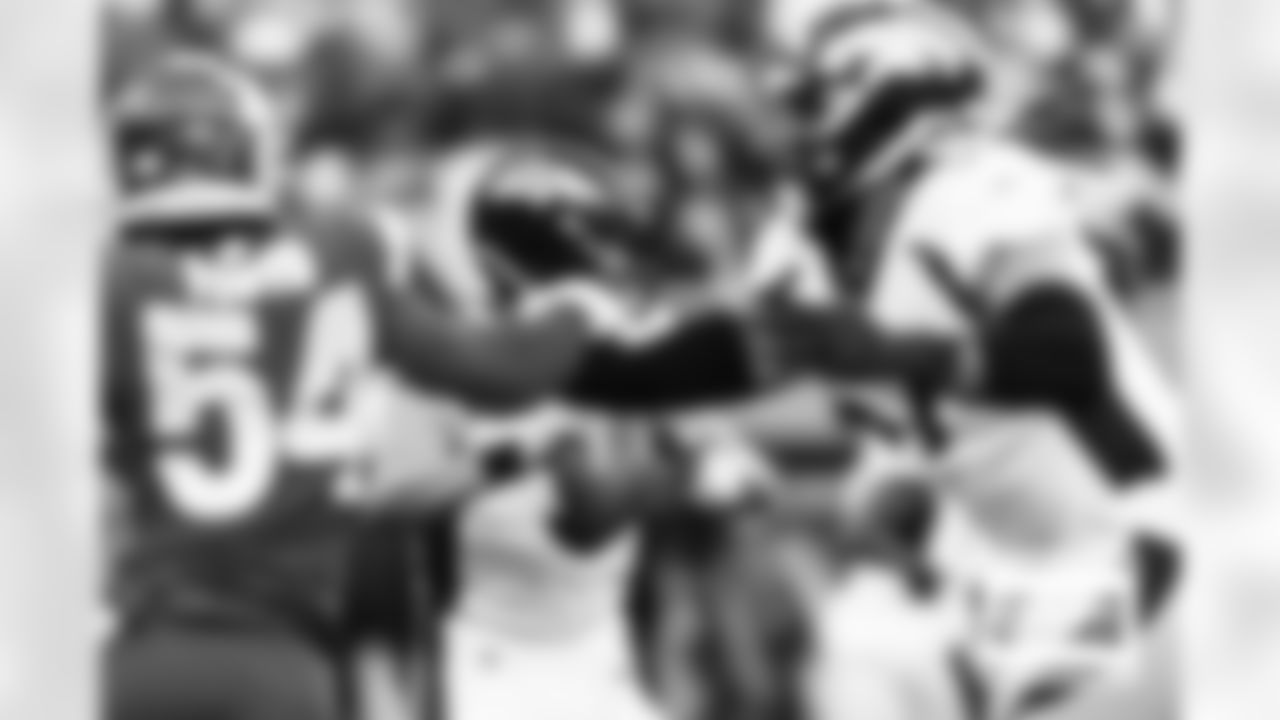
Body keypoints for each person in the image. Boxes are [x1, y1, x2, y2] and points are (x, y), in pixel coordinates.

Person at [101, 50, 961, 720]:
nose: (621, 269)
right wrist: (674, 471)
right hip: (478, 674)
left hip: (155, 637)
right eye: (603, 246)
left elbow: (659, 394)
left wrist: (725, 419)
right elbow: (573, 499)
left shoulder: (108, 282)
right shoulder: (437, 330)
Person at [747, 4, 1183, 719]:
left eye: (812, 108)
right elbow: (914, 453)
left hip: (1128, 540)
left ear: (885, 110)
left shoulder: (967, 190)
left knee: (883, 659)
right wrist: (885, 497)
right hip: (1023, 563)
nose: (792, 135)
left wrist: (896, 354)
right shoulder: (819, 263)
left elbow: (1068, 352)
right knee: (859, 642)